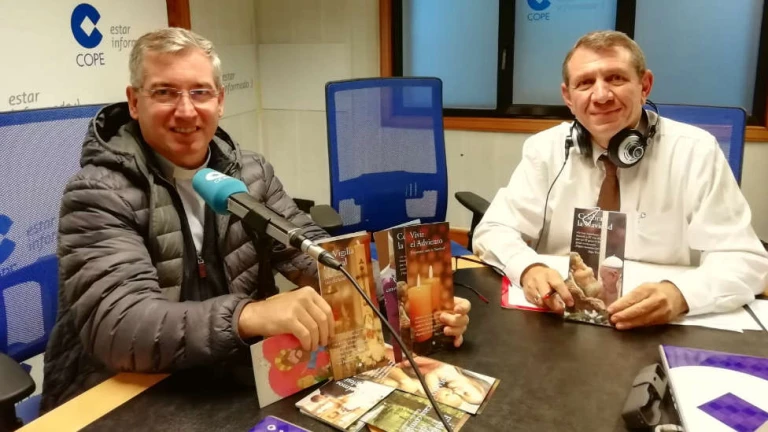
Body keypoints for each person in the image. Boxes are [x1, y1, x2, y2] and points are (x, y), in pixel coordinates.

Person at [41, 27, 470, 411]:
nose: (186, 111)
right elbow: (121, 327)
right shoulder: (97, 193)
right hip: (131, 389)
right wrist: (250, 315)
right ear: (135, 102)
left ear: (220, 100)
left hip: (233, 376)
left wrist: (401, 297)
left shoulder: (250, 174)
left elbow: (313, 257)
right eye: (165, 92)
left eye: (200, 92)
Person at [474, 30, 768, 330]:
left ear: (645, 85)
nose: (601, 96)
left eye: (615, 78)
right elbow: (494, 230)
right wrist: (528, 267)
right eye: (585, 83)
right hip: (564, 322)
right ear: (568, 97)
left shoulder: (696, 151)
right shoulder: (545, 149)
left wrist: (681, 295)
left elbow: (744, 259)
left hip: (659, 326)